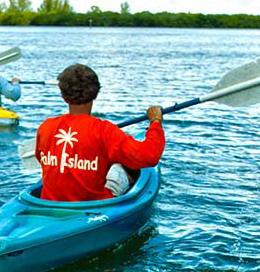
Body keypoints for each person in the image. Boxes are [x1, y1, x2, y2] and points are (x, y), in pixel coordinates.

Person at [35, 63, 165, 202]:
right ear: (96, 93)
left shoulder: (46, 127)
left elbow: (39, 157)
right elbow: (150, 156)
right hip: (93, 204)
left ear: (63, 95)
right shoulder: (105, 131)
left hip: (49, 202)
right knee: (121, 169)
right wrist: (155, 121)